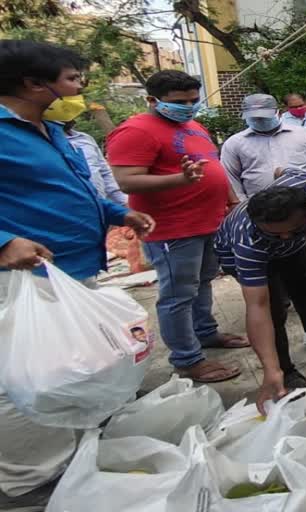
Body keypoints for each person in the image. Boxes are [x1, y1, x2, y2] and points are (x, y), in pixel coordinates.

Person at [0, 39, 154, 510]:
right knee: (22, 379)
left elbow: (74, 188)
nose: (78, 88)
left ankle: (70, 451)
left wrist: (117, 213)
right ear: (32, 83)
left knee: (69, 366)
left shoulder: (49, 129)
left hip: (70, 269)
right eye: (71, 78)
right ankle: (28, 478)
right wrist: (3, 242)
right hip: (21, 277)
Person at [107, 70, 247, 384]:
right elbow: (126, 180)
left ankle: (205, 334)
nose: (189, 106)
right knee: (178, 295)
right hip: (173, 227)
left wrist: (232, 201)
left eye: (194, 100)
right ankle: (187, 359)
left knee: (203, 282)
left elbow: (212, 165)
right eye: (180, 101)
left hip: (209, 221)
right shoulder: (135, 131)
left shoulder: (193, 126)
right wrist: (179, 180)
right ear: (152, 100)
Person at [215, 169, 306, 408]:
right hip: (242, 253)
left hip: (293, 253)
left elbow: (288, 171)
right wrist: (271, 369)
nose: (286, 236)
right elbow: (257, 307)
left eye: (294, 228)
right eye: (276, 233)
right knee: (274, 308)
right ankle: (286, 371)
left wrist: (279, 171)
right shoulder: (249, 243)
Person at [221, 93, 306, 312]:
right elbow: (230, 178)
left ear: (277, 112)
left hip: (304, 209)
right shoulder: (235, 143)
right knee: (268, 257)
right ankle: (280, 298)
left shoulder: (305, 135)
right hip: (261, 214)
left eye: (263, 116)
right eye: (254, 117)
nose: (259, 121)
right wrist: (240, 209)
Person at [63, 120, 128, 205]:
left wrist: (124, 202)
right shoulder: (45, 143)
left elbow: (105, 172)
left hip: (99, 205)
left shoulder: (85, 138)